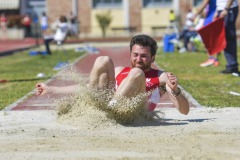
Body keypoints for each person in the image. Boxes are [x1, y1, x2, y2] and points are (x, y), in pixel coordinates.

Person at [36, 34, 190, 115]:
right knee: (103, 60)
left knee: (137, 72)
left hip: (134, 113)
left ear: (152, 58)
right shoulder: (119, 71)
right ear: (130, 54)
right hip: (109, 107)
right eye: (135, 55)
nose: (138, 59)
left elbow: (184, 111)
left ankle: (111, 106)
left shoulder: (162, 76)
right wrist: (51, 90)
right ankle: (100, 107)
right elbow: (88, 86)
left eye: (143, 56)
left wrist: (175, 90)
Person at [214, 0, 239, 76]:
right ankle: (230, 65)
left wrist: (226, 9)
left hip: (228, 9)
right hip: (223, 9)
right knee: (225, 37)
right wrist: (217, 11)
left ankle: (233, 66)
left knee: (229, 38)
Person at [193, 0, 220, 67]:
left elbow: (204, 4)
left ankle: (211, 58)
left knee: (207, 40)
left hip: (211, 18)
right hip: (216, 17)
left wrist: (196, 14)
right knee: (215, 39)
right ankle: (215, 60)